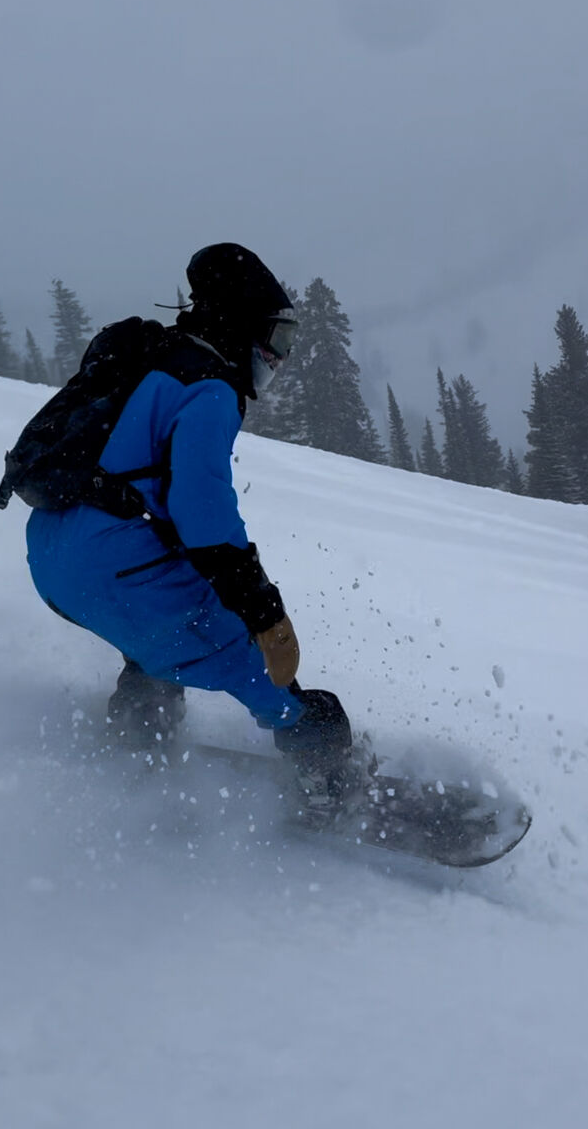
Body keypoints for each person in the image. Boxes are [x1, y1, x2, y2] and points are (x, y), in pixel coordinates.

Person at [25, 243, 352, 803]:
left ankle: (138, 733)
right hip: (112, 563)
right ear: (244, 324)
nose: (278, 356)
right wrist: (261, 606)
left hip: (52, 559)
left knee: (156, 640)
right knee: (262, 673)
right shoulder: (209, 385)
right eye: (277, 338)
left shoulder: (152, 358)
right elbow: (204, 514)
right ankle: (325, 784)